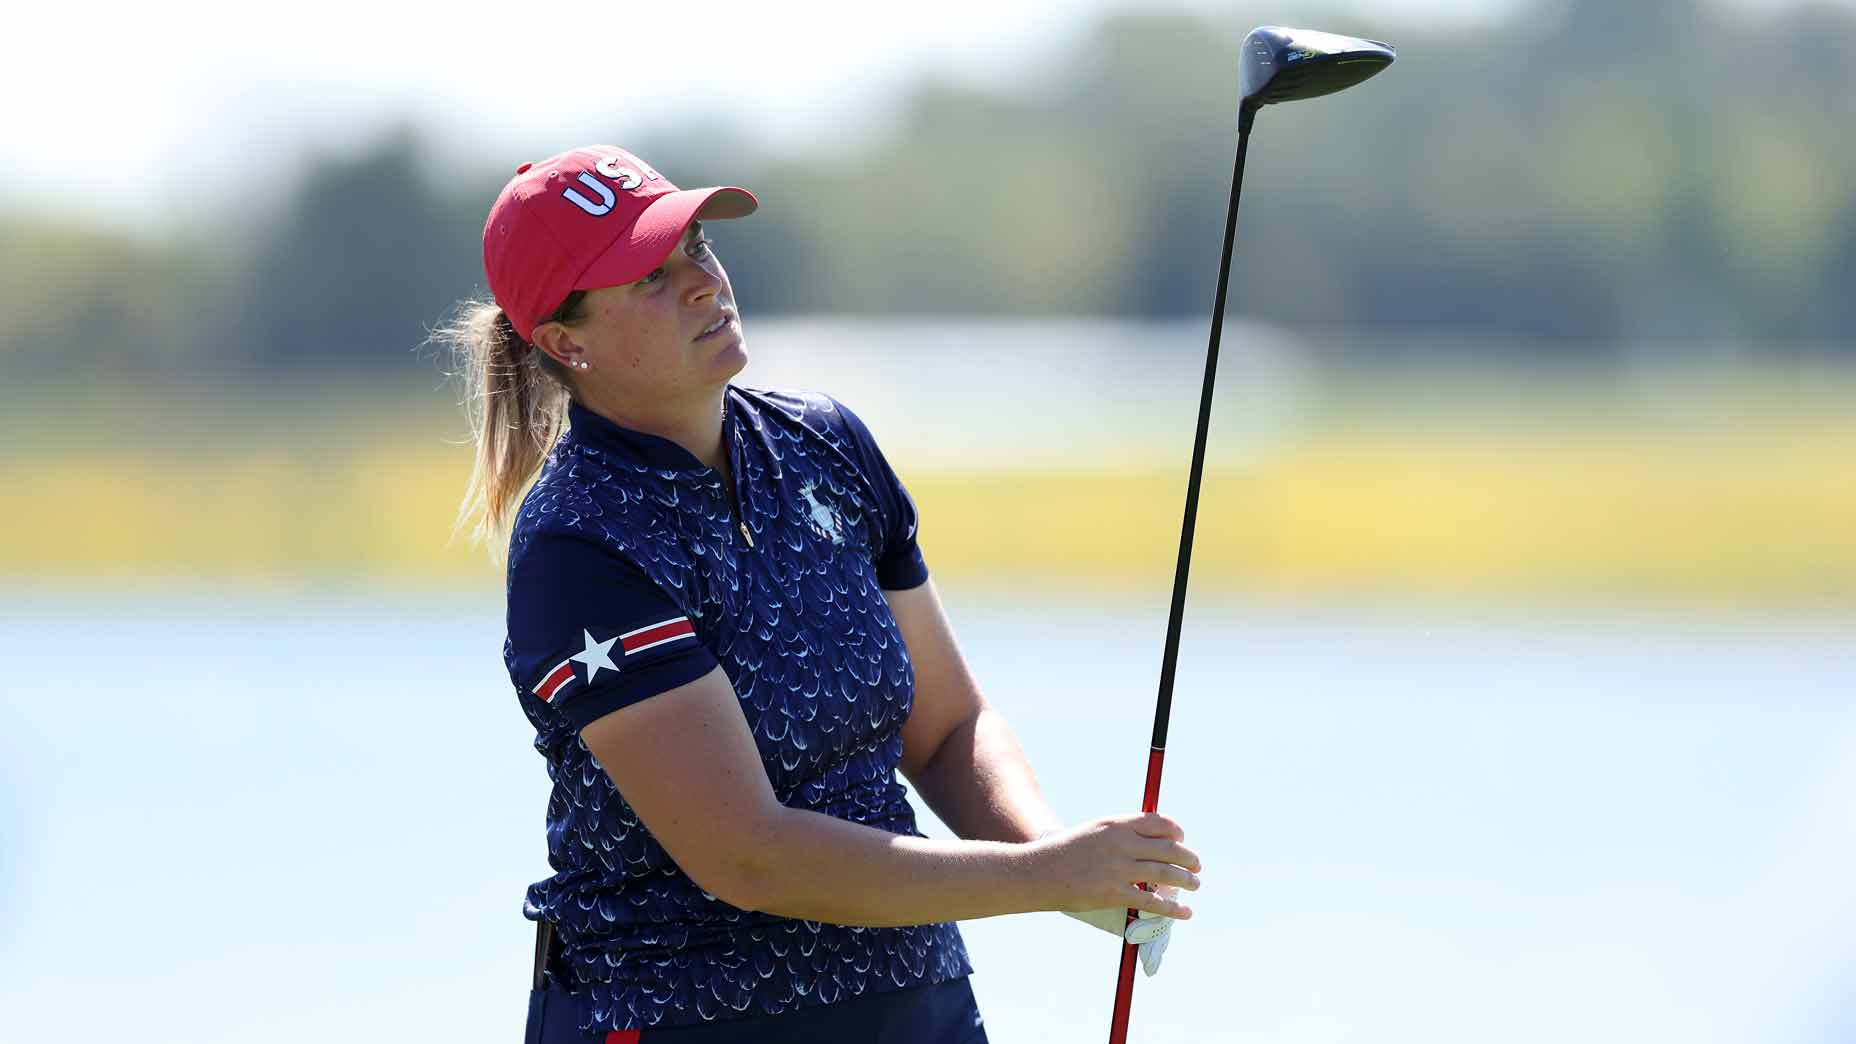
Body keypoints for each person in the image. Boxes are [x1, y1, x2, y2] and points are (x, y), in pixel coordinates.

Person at [441, 145, 1203, 1043]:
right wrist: (1044, 878)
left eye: (696, 250)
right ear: (566, 344)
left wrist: (1069, 865)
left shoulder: (825, 443)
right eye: (650, 276)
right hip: (684, 1022)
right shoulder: (579, 539)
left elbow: (949, 730)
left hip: (914, 1006)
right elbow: (748, 854)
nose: (701, 283)